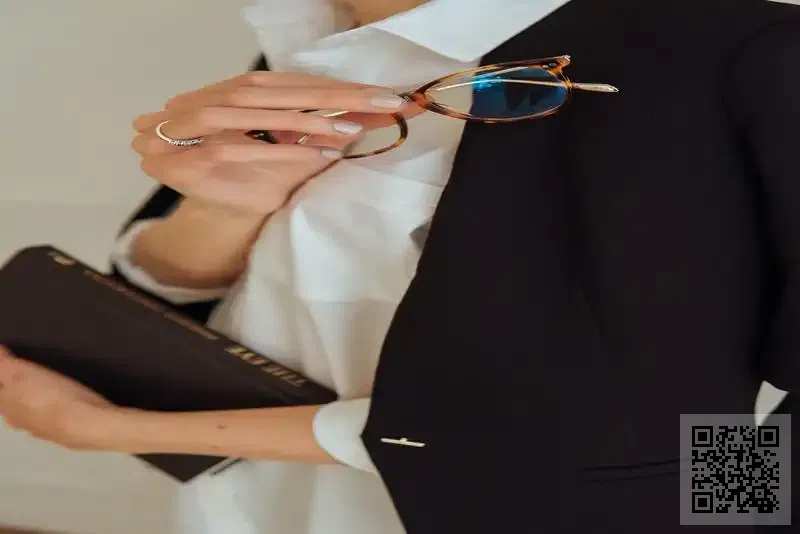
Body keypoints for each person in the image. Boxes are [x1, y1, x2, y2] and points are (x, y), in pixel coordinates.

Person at [1, 0, 799, 532]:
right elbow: (197, 300)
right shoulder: (303, 46)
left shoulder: (748, 54)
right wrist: (222, 209)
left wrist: (116, 430)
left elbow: (741, 440)